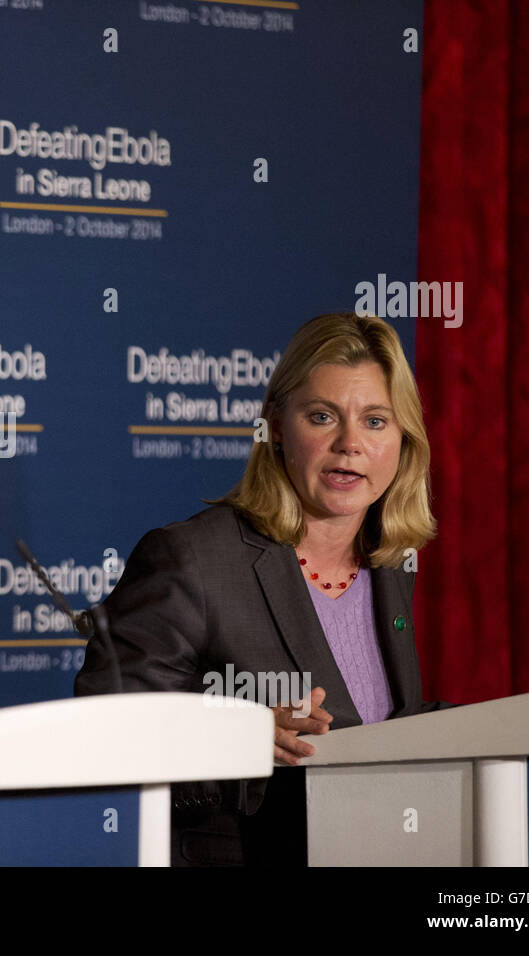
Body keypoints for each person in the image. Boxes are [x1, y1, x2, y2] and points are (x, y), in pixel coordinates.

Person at [74, 312, 454, 866]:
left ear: (404, 440)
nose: (350, 443)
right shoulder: (193, 559)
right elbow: (101, 736)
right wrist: (233, 744)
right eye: (322, 416)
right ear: (276, 425)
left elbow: (375, 728)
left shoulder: (388, 566)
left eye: (376, 421)